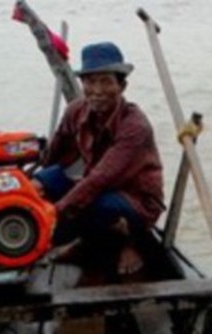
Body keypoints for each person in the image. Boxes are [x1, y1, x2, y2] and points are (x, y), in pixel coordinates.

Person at [33, 42, 165, 276]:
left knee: (96, 204)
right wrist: (32, 185)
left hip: (135, 201)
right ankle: (84, 240)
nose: (97, 90)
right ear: (82, 84)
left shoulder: (135, 126)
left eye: (106, 81)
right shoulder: (76, 110)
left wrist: (54, 213)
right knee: (46, 179)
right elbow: (55, 155)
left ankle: (128, 244)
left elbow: (101, 178)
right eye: (90, 82)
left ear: (121, 86)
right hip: (97, 188)